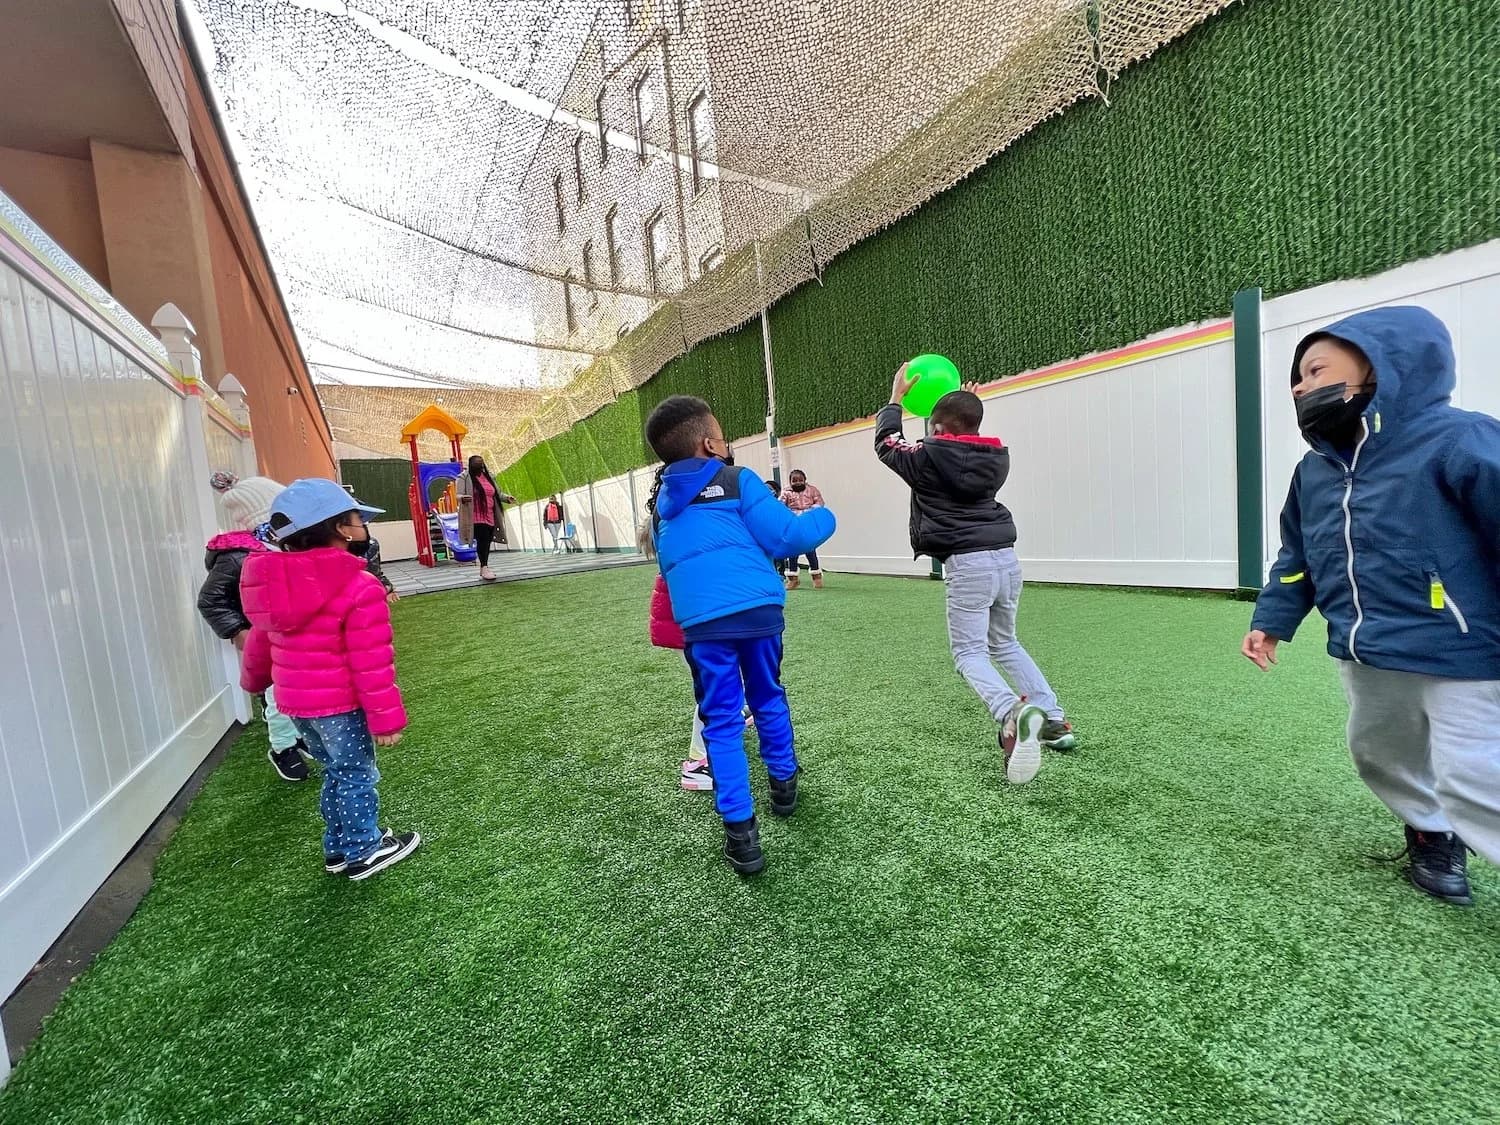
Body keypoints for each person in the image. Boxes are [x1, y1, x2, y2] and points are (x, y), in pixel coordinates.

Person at [1243, 305, 1500, 906]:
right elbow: (1298, 555)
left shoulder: (1460, 440)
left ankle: (1454, 819)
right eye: (1296, 379)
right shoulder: (1315, 471)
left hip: (1460, 648)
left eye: (1315, 369)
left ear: (1382, 365)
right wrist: (1271, 619)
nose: (1301, 386)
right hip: (1366, 648)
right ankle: (1431, 833)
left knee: (1473, 773)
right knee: (1379, 751)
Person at [646, 395, 836, 874]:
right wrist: (825, 515)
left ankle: (742, 837)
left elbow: (669, 566)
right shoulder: (738, 481)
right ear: (710, 443)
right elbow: (788, 538)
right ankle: (784, 786)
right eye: (723, 433)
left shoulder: (660, 508)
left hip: (704, 627)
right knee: (768, 697)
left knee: (722, 721)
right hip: (757, 614)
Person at [875, 366, 1077, 784]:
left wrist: (895, 398)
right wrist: (961, 405)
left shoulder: (928, 458)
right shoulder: (994, 456)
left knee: (969, 654)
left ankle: (1012, 712)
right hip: (1006, 559)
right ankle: (1053, 719)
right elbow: (956, 438)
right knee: (1004, 642)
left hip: (969, 565)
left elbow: (887, 444)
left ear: (936, 428)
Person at [240, 478, 420, 881]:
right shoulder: (358, 584)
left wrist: (253, 681)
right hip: (340, 705)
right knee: (356, 774)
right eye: (357, 517)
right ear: (341, 527)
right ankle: (364, 849)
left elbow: (260, 641)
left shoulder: (272, 582)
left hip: (297, 707)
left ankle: (338, 846)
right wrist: (386, 720)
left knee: (336, 772)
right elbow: (370, 660)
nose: (362, 524)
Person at [199, 473, 308, 782]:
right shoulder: (238, 556)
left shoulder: (286, 548)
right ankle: (282, 746)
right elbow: (210, 600)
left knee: (295, 689)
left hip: (289, 632)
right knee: (276, 694)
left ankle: (296, 734)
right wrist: (239, 631)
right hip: (263, 634)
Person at [457, 455, 515, 582]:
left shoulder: (489, 477)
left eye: (481, 463)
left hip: (490, 514)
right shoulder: (464, 477)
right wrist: (462, 498)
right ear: (471, 465)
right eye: (477, 464)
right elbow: (458, 494)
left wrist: (506, 498)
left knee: (487, 540)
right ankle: (484, 567)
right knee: (482, 539)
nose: (480, 466)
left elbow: (497, 493)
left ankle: (484, 566)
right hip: (476, 516)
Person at [780, 469, 827, 589]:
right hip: (793, 525)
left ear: (805, 480)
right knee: (792, 552)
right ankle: (793, 579)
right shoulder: (786, 492)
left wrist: (809, 511)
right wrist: (791, 514)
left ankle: (817, 577)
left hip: (808, 524)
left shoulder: (812, 490)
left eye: (800, 480)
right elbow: (780, 506)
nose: (797, 483)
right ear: (790, 482)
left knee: (810, 551)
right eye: (794, 481)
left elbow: (820, 502)